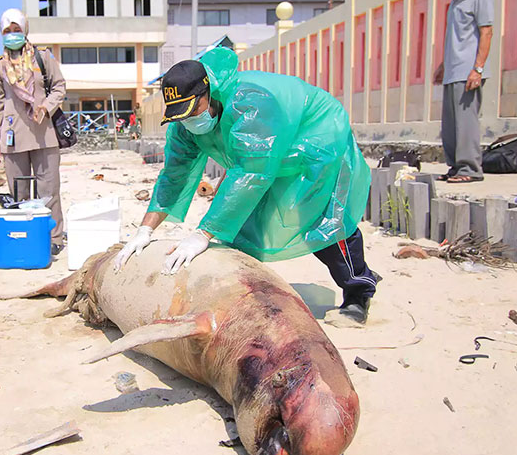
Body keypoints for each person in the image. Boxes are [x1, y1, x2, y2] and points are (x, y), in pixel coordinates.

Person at [114, 48, 377, 325]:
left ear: (208, 94)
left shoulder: (252, 103)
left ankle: (357, 292)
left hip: (315, 136)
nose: (188, 119)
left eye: (192, 110)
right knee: (239, 226)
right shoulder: (185, 126)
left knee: (315, 214)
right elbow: (174, 176)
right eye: (180, 114)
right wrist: (145, 229)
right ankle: (242, 292)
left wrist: (202, 233)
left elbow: (252, 173)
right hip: (264, 155)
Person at [0, 8, 67, 255]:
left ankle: (54, 237)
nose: (12, 35)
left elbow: (59, 87)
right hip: (12, 137)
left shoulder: (42, 58)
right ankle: (25, 236)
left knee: (49, 190)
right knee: (18, 193)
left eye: (16, 30)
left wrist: (46, 106)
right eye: (7, 31)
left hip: (45, 135)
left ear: (25, 30)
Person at [433, 0, 494, 184]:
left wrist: (478, 69)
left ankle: (471, 168)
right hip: (453, 71)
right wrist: (444, 66)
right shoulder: (455, 1)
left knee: (466, 123)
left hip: (468, 71)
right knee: (450, 125)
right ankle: (456, 167)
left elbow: (486, 32)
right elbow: (455, 38)